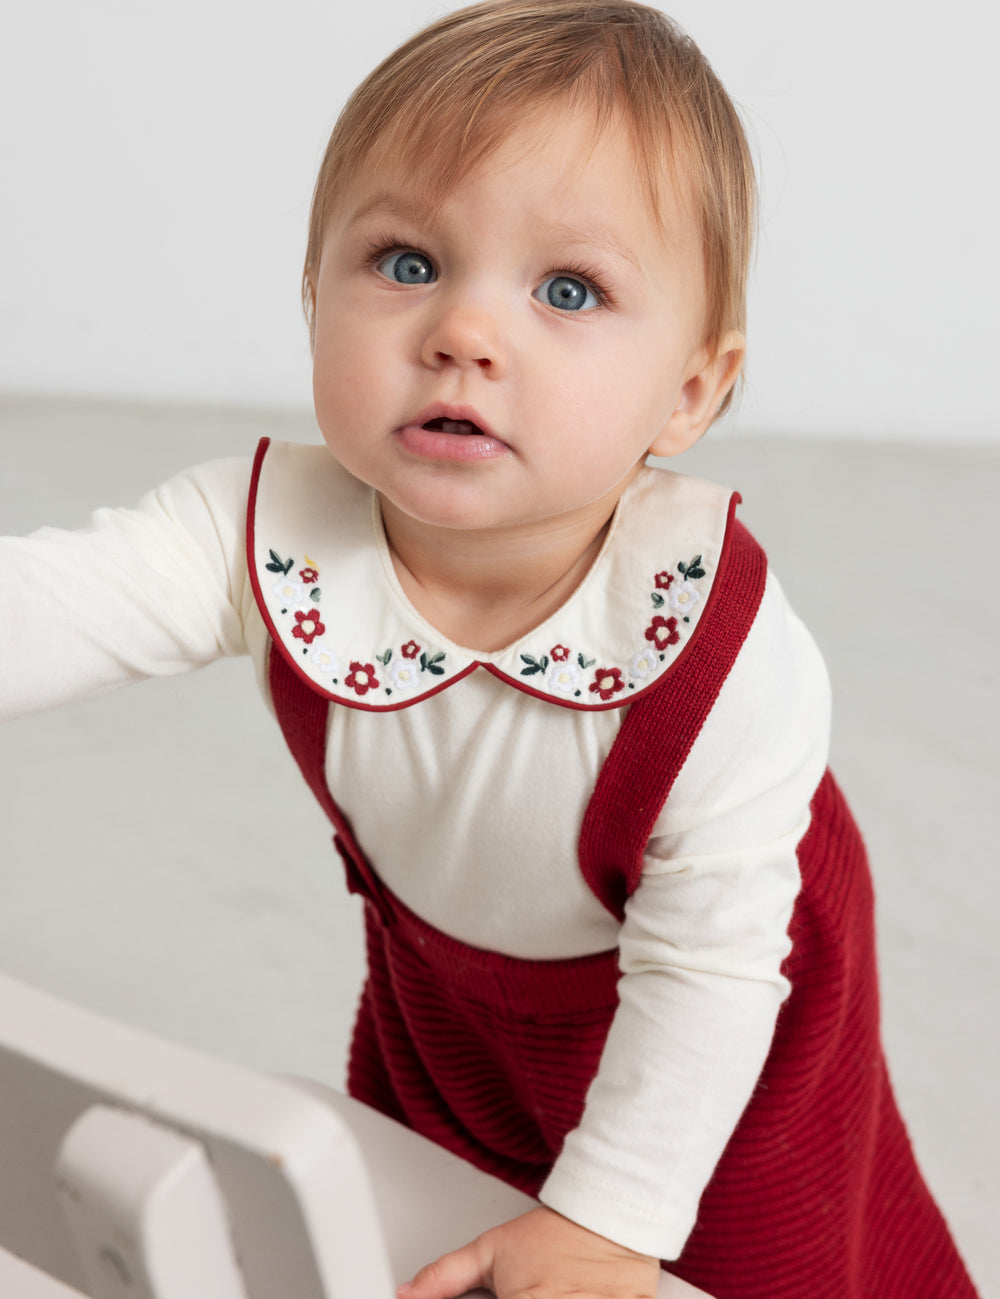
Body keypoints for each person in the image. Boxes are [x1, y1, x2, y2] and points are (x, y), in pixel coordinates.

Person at [0, 2, 980, 1297]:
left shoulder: (713, 646)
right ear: (311, 301)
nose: (465, 330)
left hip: (723, 1020)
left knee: (712, 1264)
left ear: (689, 391)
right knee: (420, 1236)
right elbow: (64, 599)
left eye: (567, 290)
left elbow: (710, 967)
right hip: (449, 1000)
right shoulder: (265, 534)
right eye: (406, 262)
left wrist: (611, 1220)